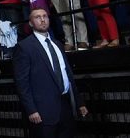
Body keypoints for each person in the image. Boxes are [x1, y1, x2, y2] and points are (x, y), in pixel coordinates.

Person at [13, 8, 88, 138]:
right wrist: (31, 110)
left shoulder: (58, 44)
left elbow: (68, 75)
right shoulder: (24, 47)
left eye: (45, 16)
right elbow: (22, 83)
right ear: (30, 23)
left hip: (66, 107)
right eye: (37, 17)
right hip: (42, 112)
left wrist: (79, 102)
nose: (42, 20)